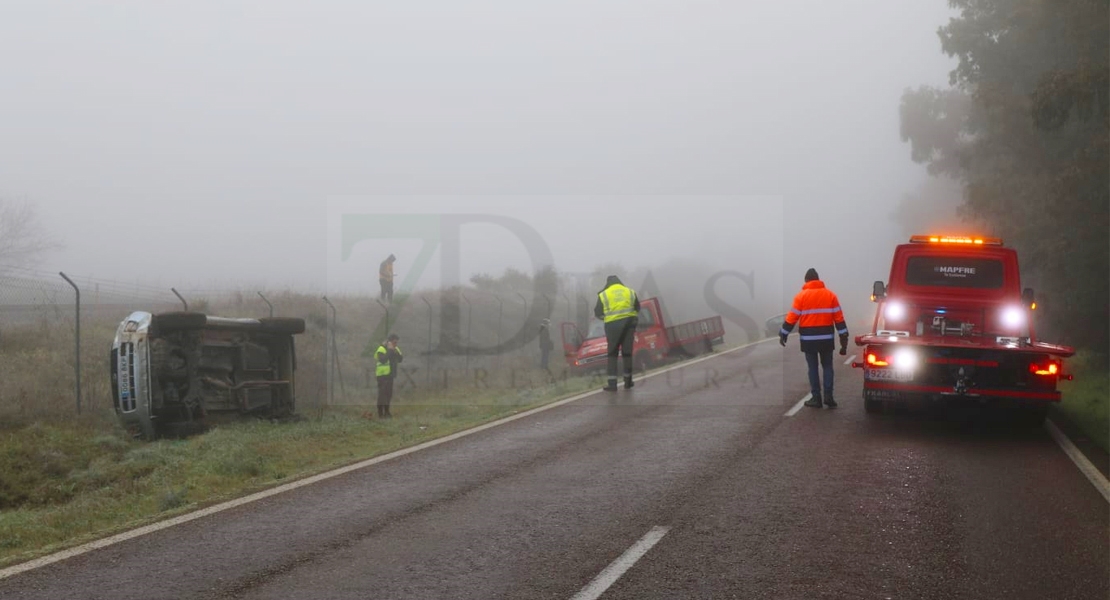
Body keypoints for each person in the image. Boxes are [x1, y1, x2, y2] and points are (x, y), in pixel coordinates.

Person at [780, 268, 848, 408]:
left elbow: (792, 318)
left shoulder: (801, 296)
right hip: (826, 338)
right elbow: (839, 319)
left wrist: (783, 333)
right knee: (828, 366)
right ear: (818, 280)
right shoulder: (831, 296)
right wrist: (843, 338)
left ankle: (816, 398)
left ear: (806, 281)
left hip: (808, 340)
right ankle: (828, 396)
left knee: (813, 367)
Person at [594, 275, 640, 391]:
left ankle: (612, 384)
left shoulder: (604, 294)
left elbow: (597, 312)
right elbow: (637, 308)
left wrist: (606, 318)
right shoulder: (629, 291)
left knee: (612, 354)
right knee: (627, 353)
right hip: (629, 325)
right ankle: (628, 381)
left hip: (612, 326)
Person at [375, 333, 403, 418]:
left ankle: (387, 412)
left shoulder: (396, 348)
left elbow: (400, 359)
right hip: (382, 375)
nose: (396, 344)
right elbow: (383, 360)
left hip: (391, 375)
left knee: (388, 394)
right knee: (382, 395)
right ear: (389, 342)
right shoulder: (381, 348)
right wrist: (390, 350)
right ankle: (380, 414)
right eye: (394, 342)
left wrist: (394, 350)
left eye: (396, 342)